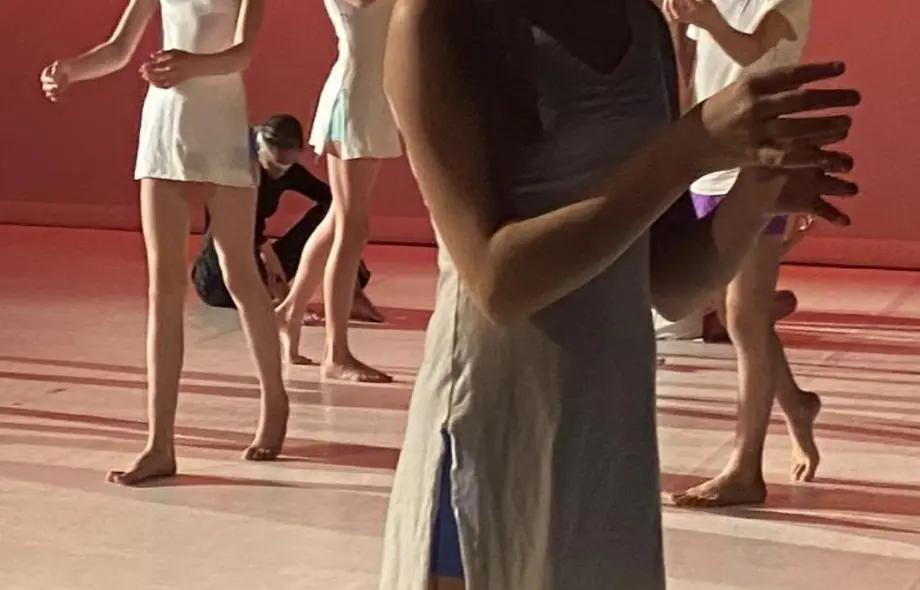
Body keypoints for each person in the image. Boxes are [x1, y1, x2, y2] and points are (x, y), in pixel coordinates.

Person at [378, 0, 859, 588]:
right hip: (494, 423)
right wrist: (691, 146)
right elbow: (497, 284)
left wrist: (755, 194)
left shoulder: (641, 21)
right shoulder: (439, 18)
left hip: (610, 436)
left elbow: (668, 282)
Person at [39, 0, 289, 486]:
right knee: (164, 289)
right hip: (164, 128)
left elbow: (241, 54)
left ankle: (275, 400)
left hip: (221, 128)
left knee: (240, 273)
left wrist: (191, 64)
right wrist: (70, 69)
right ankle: (159, 443)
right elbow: (118, 48)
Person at [663, 0, 820, 507]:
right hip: (710, 160)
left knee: (745, 315)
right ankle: (795, 403)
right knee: (737, 313)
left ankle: (745, 468)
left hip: (756, 160)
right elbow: (694, 69)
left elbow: (752, 54)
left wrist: (705, 19)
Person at [274, 0, 401, 382]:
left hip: (370, 96)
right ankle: (336, 352)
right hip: (354, 99)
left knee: (340, 220)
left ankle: (290, 312)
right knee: (351, 227)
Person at [191, 114, 384, 331]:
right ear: (260, 147)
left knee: (335, 211)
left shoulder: (288, 171)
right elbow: (232, 224)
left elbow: (332, 198)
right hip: (218, 277)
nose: (280, 172)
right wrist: (274, 270)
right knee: (245, 237)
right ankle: (286, 304)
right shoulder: (239, 171)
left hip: (259, 266)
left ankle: (349, 291)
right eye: (274, 165)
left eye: (287, 166)